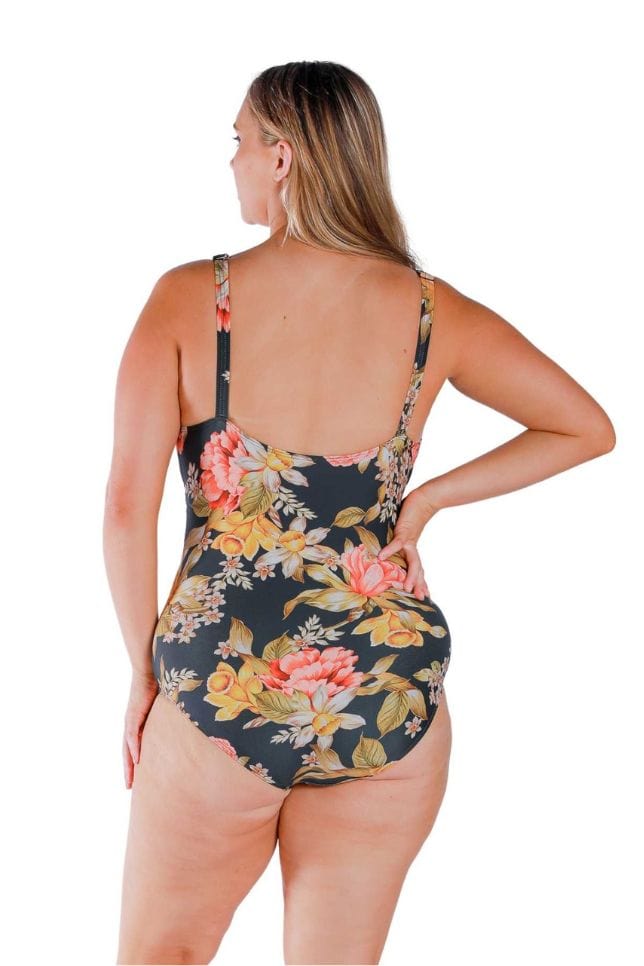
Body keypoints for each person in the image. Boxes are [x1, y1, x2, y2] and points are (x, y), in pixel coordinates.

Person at [104, 61, 616, 965]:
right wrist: (424, 502)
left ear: (283, 157)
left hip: (226, 684)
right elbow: (586, 426)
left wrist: (143, 674)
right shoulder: (430, 312)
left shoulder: (190, 300)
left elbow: (124, 506)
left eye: (239, 140)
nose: (231, 160)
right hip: (384, 692)